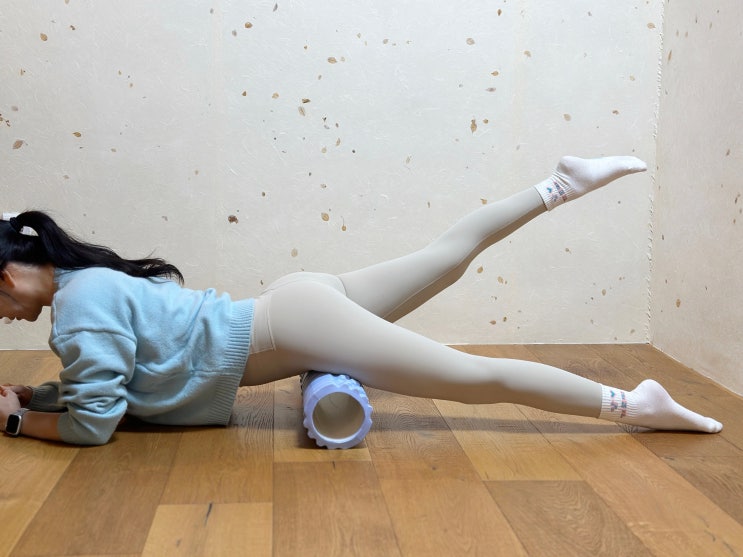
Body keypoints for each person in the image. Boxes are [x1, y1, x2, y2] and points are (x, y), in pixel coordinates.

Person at [0, 155, 722, 445]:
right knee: (445, 257)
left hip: (292, 326)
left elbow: (96, 425)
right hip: (292, 303)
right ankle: (560, 183)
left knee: (474, 377)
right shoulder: (86, 281)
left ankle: (632, 404)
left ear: (3, 278)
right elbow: (121, 376)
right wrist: (41, 395)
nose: (4, 319)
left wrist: (13, 421)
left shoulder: (78, 307)